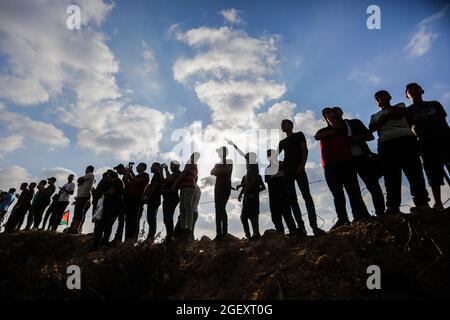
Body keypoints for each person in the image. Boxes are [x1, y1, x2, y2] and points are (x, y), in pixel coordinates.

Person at [369, 90, 430, 215]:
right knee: (391, 176)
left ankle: (422, 203)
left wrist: (384, 119)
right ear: (376, 102)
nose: (381, 98)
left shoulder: (400, 105)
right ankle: (393, 207)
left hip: (407, 140)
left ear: (389, 97)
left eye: (383, 96)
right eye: (378, 97)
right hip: (386, 145)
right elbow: (372, 128)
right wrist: (387, 116)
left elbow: (399, 114)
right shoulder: (374, 116)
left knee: (414, 172)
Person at [315, 108, 370, 229]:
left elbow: (348, 133)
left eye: (330, 112)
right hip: (329, 165)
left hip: (346, 162)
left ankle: (360, 215)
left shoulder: (344, 127)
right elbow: (317, 136)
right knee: (337, 193)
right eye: (325, 113)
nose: (328, 114)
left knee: (353, 191)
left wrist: (335, 128)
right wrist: (333, 131)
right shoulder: (323, 130)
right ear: (323, 118)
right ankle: (343, 219)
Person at [333, 107, 385, 216]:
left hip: (363, 157)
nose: (334, 112)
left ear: (342, 112)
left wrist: (357, 138)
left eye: (336, 110)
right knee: (353, 191)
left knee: (373, 186)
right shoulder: (331, 130)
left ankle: (381, 213)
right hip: (346, 162)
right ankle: (362, 215)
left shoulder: (355, 123)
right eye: (332, 111)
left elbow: (370, 136)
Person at [406, 83, 450, 212]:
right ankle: (438, 203)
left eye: (416, 89)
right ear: (407, 95)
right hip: (426, 143)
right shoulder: (408, 111)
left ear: (422, 91)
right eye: (410, 90)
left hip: (445, 138)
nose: (414, 91)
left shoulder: (434, 104)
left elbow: (443, 119)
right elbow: (409, 128)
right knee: (433, 173)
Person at [279, 119, 325, 236]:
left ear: (290, 125)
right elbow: (274, 156)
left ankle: (314, 227)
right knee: (293, 200)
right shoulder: (282, 142)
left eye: (285, 123)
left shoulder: (299, 135)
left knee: (307, 197)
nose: (282, 125)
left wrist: (302, 165)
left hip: (298, 168)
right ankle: (301, 228)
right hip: (288, 171)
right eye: (282, 124)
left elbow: (305, 150)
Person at [265, 150, 297, 234]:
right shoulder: (267, 168)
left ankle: (293, 232)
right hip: (273, 195)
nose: (269, 156)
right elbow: (267, 180)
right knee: (275, 216)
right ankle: (280, 234)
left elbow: (287, 175)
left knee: (287, 214)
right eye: (268, 155)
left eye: (270, 154)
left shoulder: (282, 164)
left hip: (284, 193)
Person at [92, 170, 124, 250]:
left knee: (107, 226)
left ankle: (102, 244)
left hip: (113, 208)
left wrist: (104, 193)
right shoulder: (114, 182)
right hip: (109, 207)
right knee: (103, 225)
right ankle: (99, 244)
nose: (107, 178)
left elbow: (111, 192)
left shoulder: (118, 182)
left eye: (108, 176)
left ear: (111, 176)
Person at [173, 152, 200, 240]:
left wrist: (176, 182)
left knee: (186, 208)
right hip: (186, 187)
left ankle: (187, 228)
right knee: (183, 208)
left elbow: (185, 172)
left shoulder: (190, 162)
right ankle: (184, 228)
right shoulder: (195, 166)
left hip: (187, 187)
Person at [122, 163, 149, 241]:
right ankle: (127, 239)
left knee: (134, 220)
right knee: (128, 220)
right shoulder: (136, 176)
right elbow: (126, 183)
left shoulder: (145, 176)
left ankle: (132, 239)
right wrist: (127, 173)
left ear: (143, 167)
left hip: (136, 200)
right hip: (129, 200)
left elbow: (137, 181)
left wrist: (131, 172)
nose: (136, 167)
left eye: (138, 166)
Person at [210, 146, 233, 240]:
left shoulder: (229, 161)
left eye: (223, 152)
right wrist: (219, 171)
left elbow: (226, 170)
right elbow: (211, 172)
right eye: (220, 152)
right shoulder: (217, 163)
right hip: (218, 187)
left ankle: (225, 232)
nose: (221, 153)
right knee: (217, 209)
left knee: (221, 207)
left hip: (225, 186)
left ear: (226, 153)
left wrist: (217, 171)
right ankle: (218, 233)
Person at [238, 167, 266, 240]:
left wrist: (254, 193)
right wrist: (240, 194)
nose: (248, 168)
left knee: (253, 217)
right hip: (246, 200)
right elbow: (244, 187)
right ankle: (248, 235)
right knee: (243, 217)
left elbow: (263, 187)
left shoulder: (257, 176)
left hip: (254, 200)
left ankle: (256, 233)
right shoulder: (244, 177)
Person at [66, 166, 95, 233]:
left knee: (79, 212)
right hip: (80, 196)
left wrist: (81, 181)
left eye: (86, 169)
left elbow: (79, 180)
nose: (85, 170)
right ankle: (74, 227)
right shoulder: (88, 176)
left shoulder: (90, 174)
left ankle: (76, 227)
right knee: (77, 212)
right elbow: (79, 181)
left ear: (88, 169)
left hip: (84, 195)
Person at [161, 161, 181, 242]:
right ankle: (169, 235)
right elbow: (164, 180)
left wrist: (165, 169)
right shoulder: (173, 173)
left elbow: (169, 179)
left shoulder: (177, 173)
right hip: (167, 198)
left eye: (172, 165)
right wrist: (161, 171)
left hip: (171, 198)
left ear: (177, 166)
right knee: (166, 218)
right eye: (170, 165)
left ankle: (169, 236)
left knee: (168, 217)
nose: (171, 167)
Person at [143, 162, 163, 243]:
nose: (151, 168)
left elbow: (154, 186)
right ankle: (150, 237)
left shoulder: (157, 175)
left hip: (154, 199)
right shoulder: (157, 175)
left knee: (151, 219)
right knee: (151, 219)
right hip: (154, 199)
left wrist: (148, 195)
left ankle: (150, 238)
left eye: (152, 166)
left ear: (157, 167)